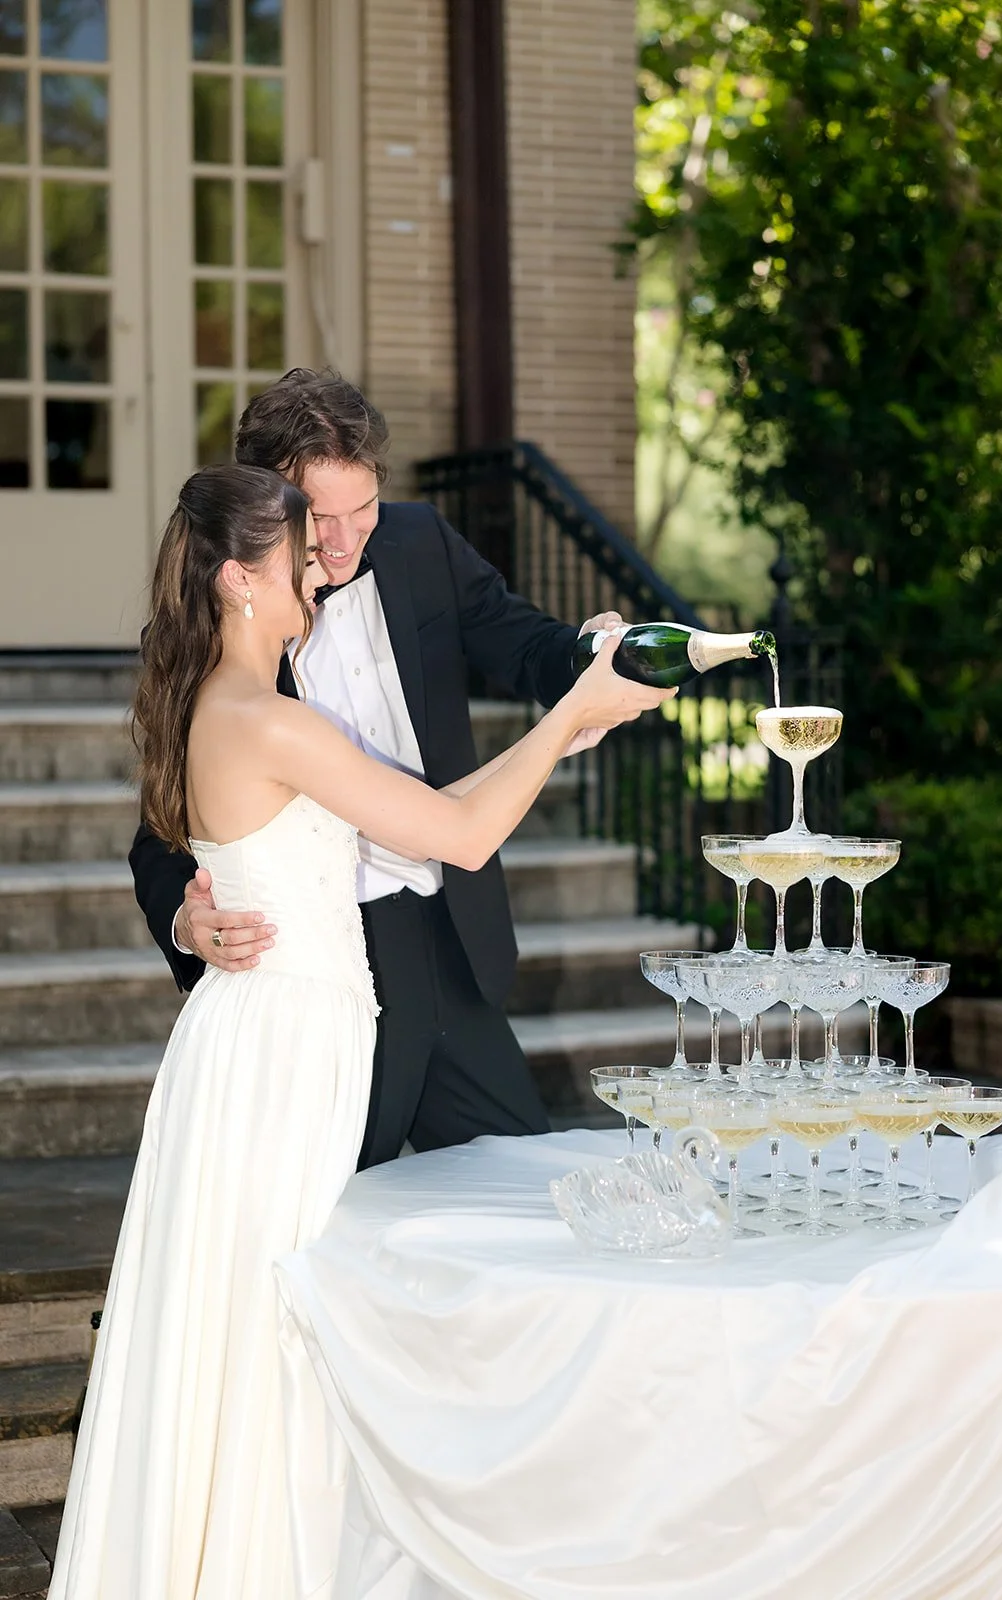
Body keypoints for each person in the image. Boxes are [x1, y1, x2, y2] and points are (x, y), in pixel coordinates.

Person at [50, 464, 670, 1598]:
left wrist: (561, 717)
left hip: (264, 1042)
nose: (326, 565)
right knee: (276, 1340)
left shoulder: (219, 703)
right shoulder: (270, 720)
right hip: (281, 1056)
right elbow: (459, 833)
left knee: (253, 1335)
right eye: (299, 553)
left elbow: (427, 808)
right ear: (241, 578)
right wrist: (574, 714)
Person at [130, 368, 626, 1167]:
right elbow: (160, 826)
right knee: (324, 1224)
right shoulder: (215, 635)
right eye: (319, 518)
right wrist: (187, 923)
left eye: (361, 510)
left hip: (448, 933)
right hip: (326, 970)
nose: (343, 538)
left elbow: (524, 642)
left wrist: (589, 656)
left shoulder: (419, 542)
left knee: (522, 1190)